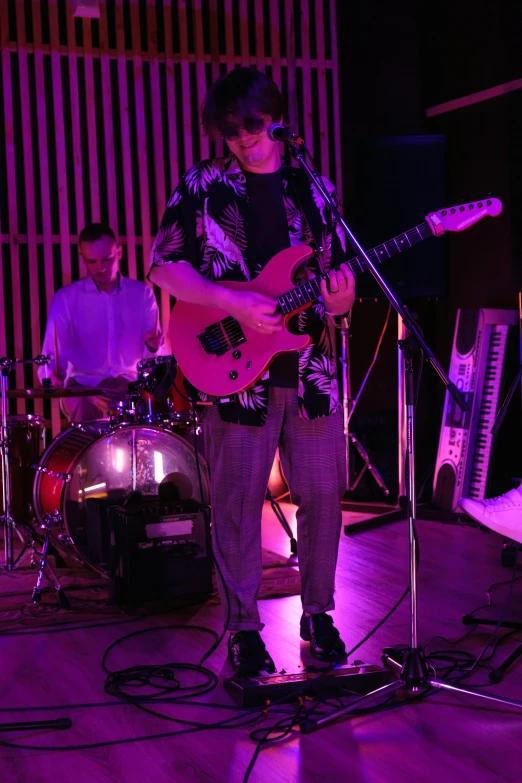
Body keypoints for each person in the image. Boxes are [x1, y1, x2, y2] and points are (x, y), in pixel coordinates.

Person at [149, 67, 355, 675]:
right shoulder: (205, 183)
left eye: (253, 128)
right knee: (237, 504)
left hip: (310, 371)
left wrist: (341, 301)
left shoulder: (312, 188)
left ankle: (319, 614)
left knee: (322, 498)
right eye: (231, 132)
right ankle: (243, 628)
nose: (243, 140)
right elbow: (165, 267)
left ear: (277, 119)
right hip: (233, 371)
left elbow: (338, 280)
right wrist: (234, 301)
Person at [38, 223, 163, 422]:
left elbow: (153, 359)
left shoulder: (142, 294)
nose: (101, 267)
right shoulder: (67, 298)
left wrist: (152, 347)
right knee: (84, 405)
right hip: (83, 386)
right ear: (83, 259)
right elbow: (50, 357)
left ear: (119, 253)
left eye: (107, 259)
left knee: (152, 408)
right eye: (92, 261)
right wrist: (51, 375)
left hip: (129, 386)